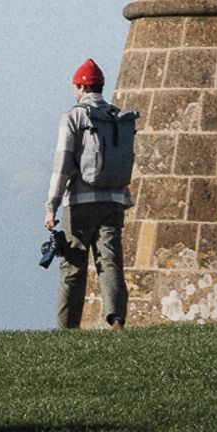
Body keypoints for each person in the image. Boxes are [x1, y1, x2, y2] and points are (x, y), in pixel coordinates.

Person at [44, 59, 134, 329]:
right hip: (114, 200)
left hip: (80, 203)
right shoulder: (117, 116)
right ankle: (117, 318)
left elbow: (62, 165)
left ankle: (66, 328)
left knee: (73, 266)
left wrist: (51, 206)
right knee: (110, 260)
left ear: (81, 86)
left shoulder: (74, 116)